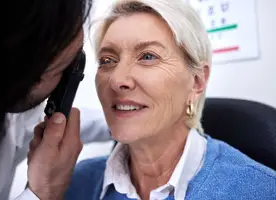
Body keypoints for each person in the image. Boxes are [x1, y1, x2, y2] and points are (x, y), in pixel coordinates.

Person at [63, 0, 276, 199]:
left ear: (196, 82)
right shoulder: (75, 183)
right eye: (107, 60)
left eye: (147, 56)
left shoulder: (260, 190)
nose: (118, 80)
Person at [0, 0, 111, 199]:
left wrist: (118, 120)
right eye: (61, 70)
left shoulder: (4, 111)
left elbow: (32, 126)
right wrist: (42, 192)